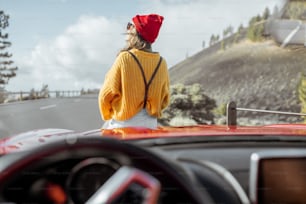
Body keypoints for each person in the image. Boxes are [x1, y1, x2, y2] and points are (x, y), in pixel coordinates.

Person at [98, 14, 170, 129]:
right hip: (151, 125)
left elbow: (105, 95)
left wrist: (107, 114)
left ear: (136, 32)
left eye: (129, 26)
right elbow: (165, 98)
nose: (127, 29)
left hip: (123, 125)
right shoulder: (162, 62)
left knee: (103, 131)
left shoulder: (124, 58)